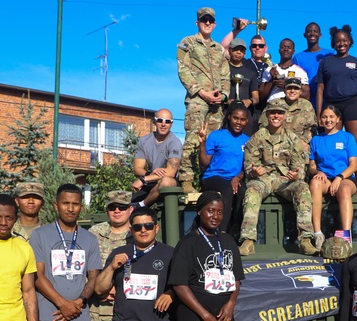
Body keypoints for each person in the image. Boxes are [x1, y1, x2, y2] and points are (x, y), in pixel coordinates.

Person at [239, 98, 319, 256]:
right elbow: (249, 165)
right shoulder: (257, 138)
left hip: (286, 181)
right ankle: (248, 241)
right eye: (272, 113)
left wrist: (296, 174)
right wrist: (254, 172)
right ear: (267, 115)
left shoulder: (293, 139)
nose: (276, 116)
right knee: (252, 190)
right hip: (265, 180)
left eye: (279, 113)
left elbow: (300, 168)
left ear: (284, 116)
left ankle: (305, 240)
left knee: (303, 189)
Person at [30, 184, 103, 321]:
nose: (70, 209)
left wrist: (79, 302)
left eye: (75, 204)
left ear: (81, 207)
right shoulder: (39, 235)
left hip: (79, 314)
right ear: (56, 205)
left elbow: (93, 278)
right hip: (50, 315)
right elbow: (37, 276)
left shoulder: (90, 238)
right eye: (65, 203)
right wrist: (62, 304)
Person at [177, 7, 230, 194]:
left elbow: (225, 75)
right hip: (197, 100)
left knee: (212, 143)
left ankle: (207, 179)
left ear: (214, 24)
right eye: (203, 20)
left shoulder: (219, 49)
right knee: (193, 138)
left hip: (216, 103)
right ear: (197, 23)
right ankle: (186, 179)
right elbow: (183, 71)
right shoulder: (188, 43)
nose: (207, 23)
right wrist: (201, 92)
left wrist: (222, 95)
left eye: (210, 20)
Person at [169, 191, 245, 320]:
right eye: (210, 211)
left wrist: (231, 303)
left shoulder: (228, 240)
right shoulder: (187, 243)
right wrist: (204, 315)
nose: (215, 216)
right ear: (199, 211)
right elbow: (179, 285)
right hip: (194, 314)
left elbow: (236, 279)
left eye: (220, 212)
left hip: (223, 314)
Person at [316, 25, 357, 193]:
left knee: (353, 144)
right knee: (333, 143)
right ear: (333, 43)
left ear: (350, 42)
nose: (341, 43)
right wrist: (319, 114)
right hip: (332, 106)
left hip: (353, 105)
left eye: (345, 41)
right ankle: (332, 180)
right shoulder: (326, 62)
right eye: (338, 41)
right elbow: (320, 90)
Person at [94, 207, 175, 320]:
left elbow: (184, 284)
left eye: (148, 226)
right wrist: (111, 267)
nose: (143, 230)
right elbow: (99, 289)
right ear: (131, 230)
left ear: (156, 228)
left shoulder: (170, 254)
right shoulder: (118, 253)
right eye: (137, 227)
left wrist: (171, 293)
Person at [309, 105, 357, 250]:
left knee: (343, 189)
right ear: (320, 120)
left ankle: (346, 236)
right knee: (314, 184)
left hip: (345, 178)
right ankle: (318, 234)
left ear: (338, 119)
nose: (328, 120)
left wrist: (339, 177)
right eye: (324, 117)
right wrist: (317, 172)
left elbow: (353, 165)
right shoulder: (316, 140)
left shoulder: (347, 137)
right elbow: (311, 165)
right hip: (325, 179)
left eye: (331, 117)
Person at [199, 102, 250, 233]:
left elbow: (248, 166)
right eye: (235, 118)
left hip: (235, 179)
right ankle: (222, 232)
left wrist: (238, 178)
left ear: (247, 121)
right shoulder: (216, 136)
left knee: (243, 192)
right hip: (213, 177)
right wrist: (202, 144)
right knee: (227, 190)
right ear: (229, 117)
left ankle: (236, 231)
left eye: (242, 119)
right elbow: (204, 163)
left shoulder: (248, 140)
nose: (238, 122)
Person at [0, 194, 38, 321]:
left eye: (9, 217)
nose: (3, 222)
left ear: (16, 219)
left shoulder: (24, 248)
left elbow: (29, 292)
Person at [89, 190, 134, 321]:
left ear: (130, 209)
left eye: (122, 207)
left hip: (127, 305)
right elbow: (83, 268)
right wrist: (97, 289)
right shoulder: (94, 234)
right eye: (112, 207)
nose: (117, 211)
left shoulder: (138, 234)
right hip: (97, 307)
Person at [132, 108, 182, 207]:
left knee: (167, 181)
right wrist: (150, 174)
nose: (163, 124)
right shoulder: (144, 141)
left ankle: (142, 205)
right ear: (154, 121)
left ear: (171, 124)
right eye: (160, 120)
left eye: (167, 121)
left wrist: (143, 180)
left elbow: (171, 172)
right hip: (151, 181)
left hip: (170, 183)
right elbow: (137, 169)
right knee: (124, 205)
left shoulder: (175, 142)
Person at [258, 77, 317, 151]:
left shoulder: (307, 106)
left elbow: (312, 128)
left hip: (299, 144)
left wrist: (303, 140)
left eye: (296, 88)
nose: (292, 91)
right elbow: (263, 125)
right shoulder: (274, 104)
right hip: (275, 143)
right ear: (284, 90)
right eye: (289, 88)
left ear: (300, 91)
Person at [292, 22, 333, 108]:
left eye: (315, 31)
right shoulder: (298, 58)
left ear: (320, 35)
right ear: (304, 35)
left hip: (327, 100)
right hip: (306, 101)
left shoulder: (329, 54)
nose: (312, 33)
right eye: (309, 31)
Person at [226, 38, 259, 136]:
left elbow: (256, 97)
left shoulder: (251, 73)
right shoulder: (222, 70)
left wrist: (250, 101)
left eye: (241, 50)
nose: (239, 52)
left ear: (245, 53)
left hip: (244, 116)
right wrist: (225, 100)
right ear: (229, 50)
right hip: (225, 113)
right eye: (236, 49)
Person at [260, 38, 310, 102]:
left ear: (293, 51)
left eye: (289, 47)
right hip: (273, 106)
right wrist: (272, 80)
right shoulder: (269, 70)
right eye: (283, 47)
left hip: (292, 108)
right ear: (279, 50)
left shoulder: (300, 72)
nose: (286, 49)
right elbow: (261, 96)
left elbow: (306, 96)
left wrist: (287, 86)